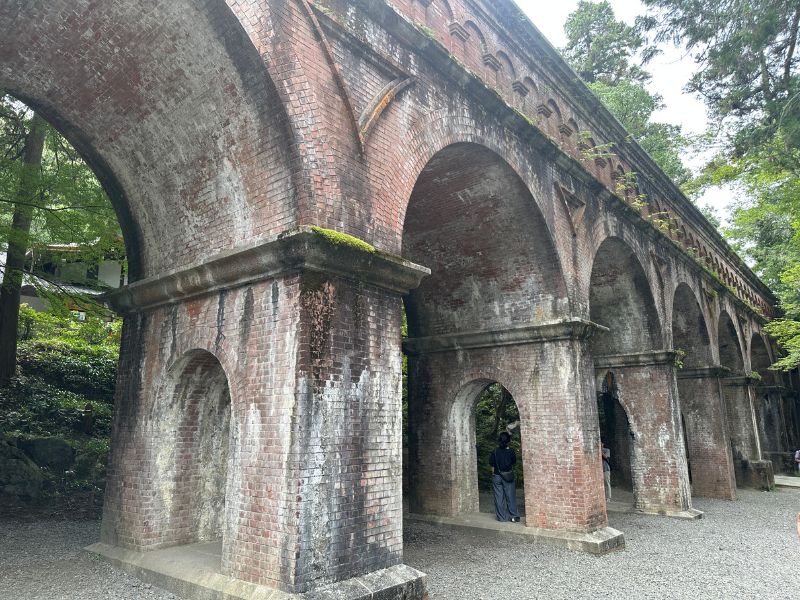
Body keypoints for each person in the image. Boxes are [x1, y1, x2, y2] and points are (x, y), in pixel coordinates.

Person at [490, 431, 521, 523]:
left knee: (499, 497)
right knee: (510, 496)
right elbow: (514, 462)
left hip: (496, 476)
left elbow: (491, 463)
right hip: (508, 476)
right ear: (508, 441)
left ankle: (501, 517)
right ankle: (514, 516)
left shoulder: (495, 451)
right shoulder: (510, 451)